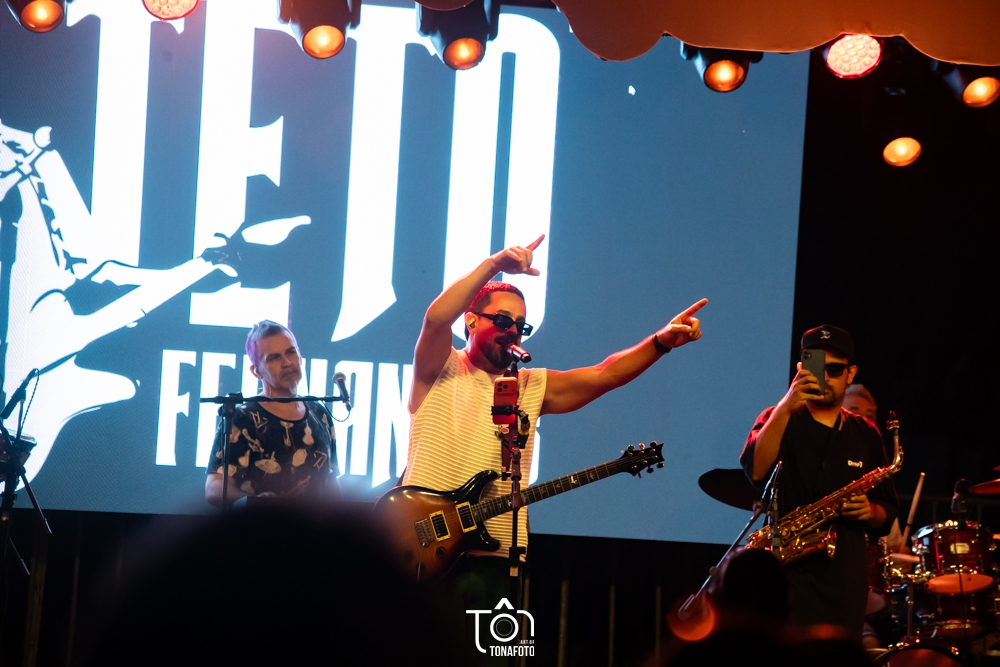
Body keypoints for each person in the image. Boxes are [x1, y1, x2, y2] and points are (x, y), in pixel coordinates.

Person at [403, 234, 706, 659]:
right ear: (470, 321)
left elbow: (605, 375)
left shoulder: (529, 385)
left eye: (520, 325)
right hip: (426, 555)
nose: (512, 330)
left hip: (496, 559)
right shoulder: (441, 367)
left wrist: (659, 342)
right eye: (501, 320)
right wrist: (494, 265)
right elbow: (436, 319)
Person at [740, 325, 899, 641]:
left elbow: (887, 511)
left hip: (845, 580)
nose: (824, 377)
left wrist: (869, 511)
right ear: (801, 368)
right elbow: (756, 471)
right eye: (816, 367)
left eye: (835, 369)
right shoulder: (777, 416)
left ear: (850, 373)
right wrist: (787, 405)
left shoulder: (866, 433)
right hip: (786, 578)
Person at [205, 320, 340, 506]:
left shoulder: (319, 413)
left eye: (291, 352)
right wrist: (256, 503)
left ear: (300, 356)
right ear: (256, 371)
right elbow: (214, 488)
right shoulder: (242, 418)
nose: (287, 363)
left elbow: (331, 481)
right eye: (274, 358)